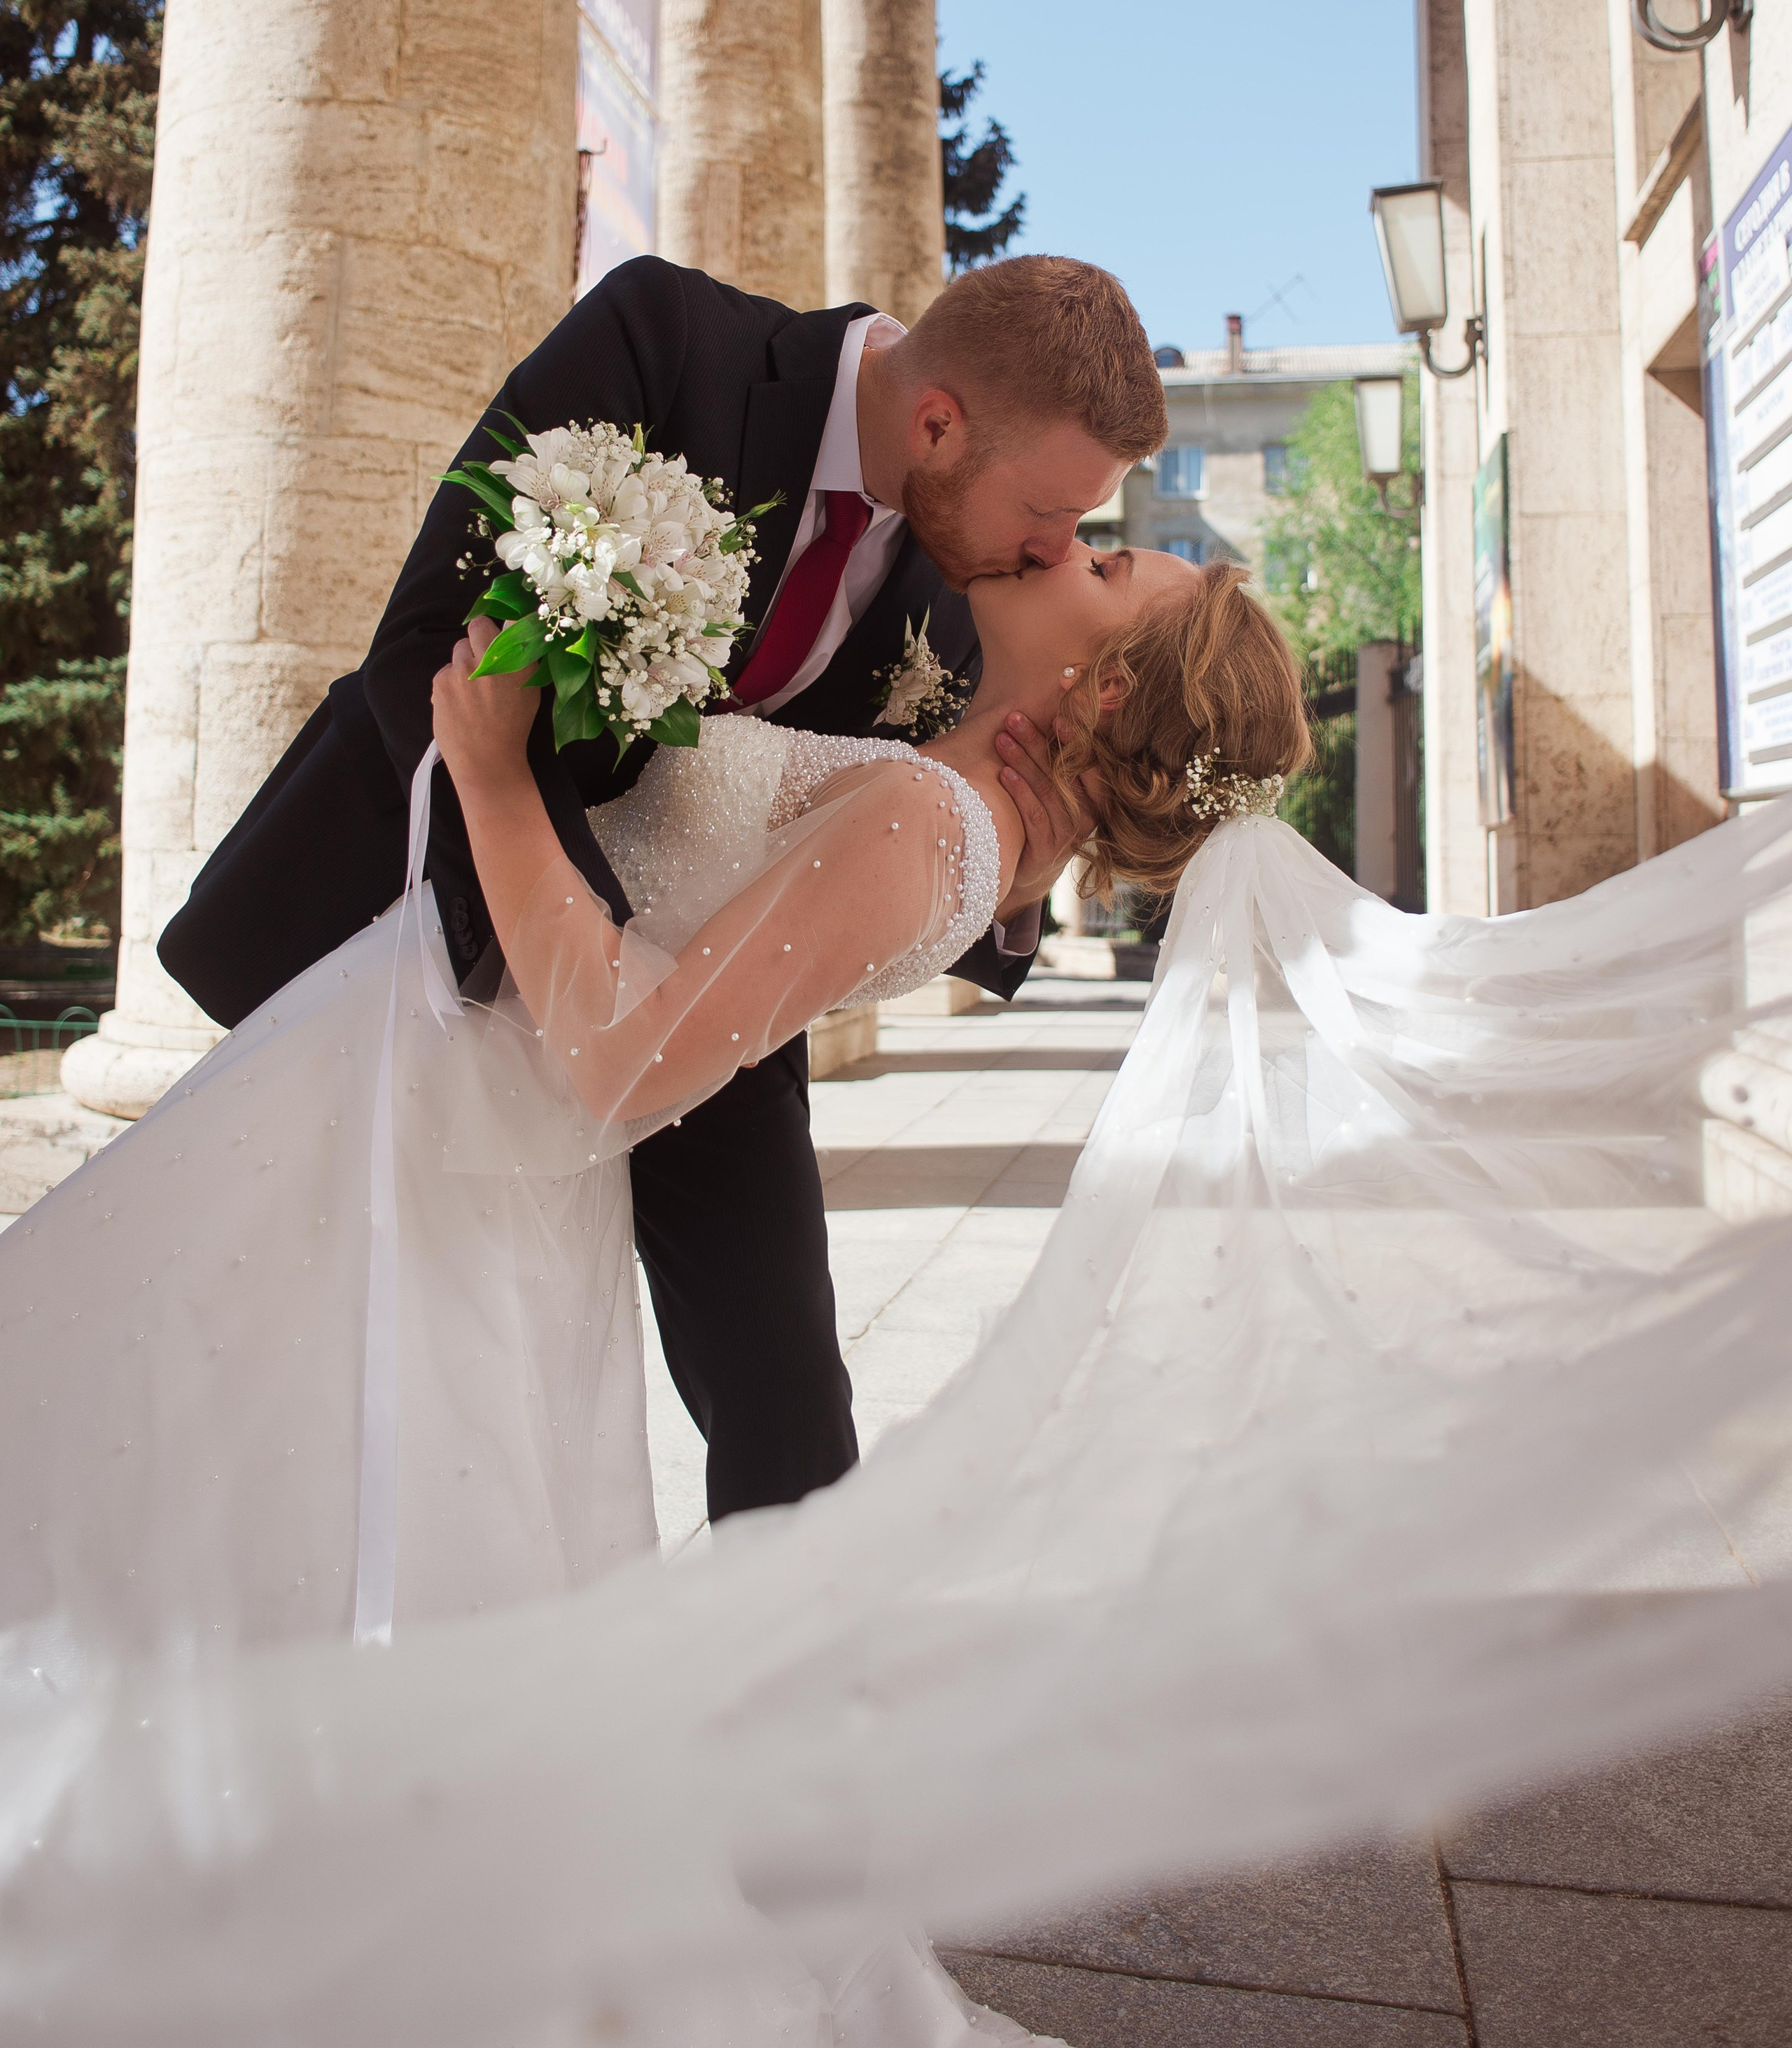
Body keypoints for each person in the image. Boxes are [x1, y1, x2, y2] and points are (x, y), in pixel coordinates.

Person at [8, 556, 1792, 2044]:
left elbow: (625, 1063)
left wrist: (485, 768)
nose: (1059, 574)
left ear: (1102, 693)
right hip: (434, 1125)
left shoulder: (934, 830)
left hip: (450, 1123)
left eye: (1101, 584)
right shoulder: (960, 827)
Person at [153, 252, 1169, 1526]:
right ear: (937, 422)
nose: (1057, 548)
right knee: (299, 1346)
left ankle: (790, 1689)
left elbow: (915, 847)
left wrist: (1046, 849)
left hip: (701, 1017)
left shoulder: (966, 596)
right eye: (1055, 511)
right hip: (432, 910)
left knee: (788, 1408)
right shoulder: (667, 343)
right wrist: (582, 965)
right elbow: (428, 647)